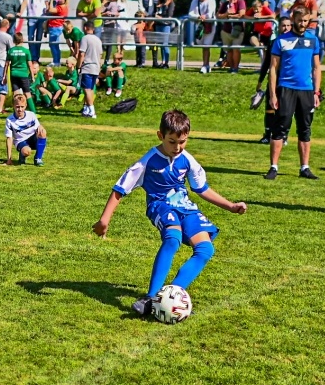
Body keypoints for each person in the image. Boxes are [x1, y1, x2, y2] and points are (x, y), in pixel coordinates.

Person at [92, 108, 248, 318]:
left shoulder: (187, 159)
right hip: (160, 205)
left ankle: (170, 297)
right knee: (172, 239)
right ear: (160, 135)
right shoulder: (147, 161)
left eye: (182, 141)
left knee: (205, 250)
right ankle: (150, 298)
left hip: (186, 207)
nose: (177, 147)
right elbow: (120, 189)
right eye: (172, 141)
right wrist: (104, 220)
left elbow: (201, 188)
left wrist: (230, 206)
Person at [265, 5, 324, 181]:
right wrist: (273, 94)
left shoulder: (313, 40)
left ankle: (304, 167)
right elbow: (273, 68)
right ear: (293, 20)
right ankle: (273, 167)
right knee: (280, 127)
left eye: (306, 21)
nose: (303, 24)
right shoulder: (281, 41)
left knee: (305, 129)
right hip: (286, 88)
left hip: (306, 90)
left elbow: (317, 67)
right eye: (300, 21)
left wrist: (316, 92)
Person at [4, 92, 48, 166]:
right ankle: (22, 155)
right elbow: (9, 139)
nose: (20, 109)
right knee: (27, 151)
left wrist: (41, 129)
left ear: (26, 105)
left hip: (32, 138)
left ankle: (38, 158)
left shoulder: (31, 115)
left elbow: (38, 127)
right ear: (13, 106)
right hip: (21, 141)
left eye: (22, 106)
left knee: (43, 131)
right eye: (17, 107)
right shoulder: (10, 120)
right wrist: (9, 159)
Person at [78, 18, 105, 118]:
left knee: (86, 89)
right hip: (96, 67)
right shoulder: (98, 40)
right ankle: (86, 109)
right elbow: (100, 55)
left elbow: (82, 53)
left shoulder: (85, 38)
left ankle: (92, 110)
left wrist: (78, 66)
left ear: (85, 28)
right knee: (91, 89)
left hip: (87, 66)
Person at [22, 0, 50, 64]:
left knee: (38, 38)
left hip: (41, 17)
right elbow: (25, 2)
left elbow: (47, 3)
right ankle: (31, 58)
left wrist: (48, 15)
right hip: (31, 17)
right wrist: (21, 12)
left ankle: (36, 58)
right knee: (30, 38)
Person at [190, 0, 217, 74]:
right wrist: (198, 17)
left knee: (206, 45)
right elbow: (190, 14)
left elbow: (210, 14)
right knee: (201, 44)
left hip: (209, 26)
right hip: (199, 25)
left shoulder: (211, 0)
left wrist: (204, 16)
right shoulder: (194, 1)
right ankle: (207, 65)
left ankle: (205, 65)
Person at [6, 32, 35, 101]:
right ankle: (31, 107)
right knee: (27, 93)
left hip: (14, 74)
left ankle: (17, 106)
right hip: (23, 74)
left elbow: (6, 64)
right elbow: (30, 65)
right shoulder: (26, 51)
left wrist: (4, 76)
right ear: (22, 39)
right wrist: (32, 76)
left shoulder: (10, 51)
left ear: (13, 40)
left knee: (16, 93)